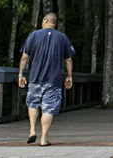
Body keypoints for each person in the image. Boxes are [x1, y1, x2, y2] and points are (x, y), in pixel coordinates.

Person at [18, 13, 74, 147]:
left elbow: (24, 57)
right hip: (53, 80)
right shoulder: (62, 38)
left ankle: (32, 130)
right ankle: (43, 139)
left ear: (45, 20)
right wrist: (69, 76)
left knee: (33, 104)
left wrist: (20, 74)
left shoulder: (34, 35)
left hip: (35, 78)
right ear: (54, 23)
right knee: (48, 109)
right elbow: (69, 59)